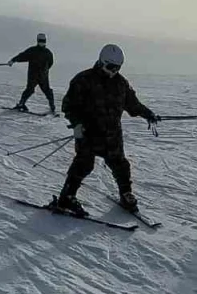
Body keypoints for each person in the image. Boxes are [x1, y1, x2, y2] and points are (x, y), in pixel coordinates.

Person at [54, 44, 159, 215]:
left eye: (118, 68)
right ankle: (67, 197)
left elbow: (133, 104)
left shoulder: (120, 83)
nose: (114, 71)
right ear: (102, 62)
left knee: (120, 165)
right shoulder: (83, 80)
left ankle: (126, 194)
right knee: (83, 164)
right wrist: (77, 124)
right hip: (88, 132)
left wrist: (148, 114)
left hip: (112, 134)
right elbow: (69, 106)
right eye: (111, 67)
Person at [9, 32, 55, 113]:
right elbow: (22, 56)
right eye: (41, 41)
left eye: (43, 41)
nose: (42, 42)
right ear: (38, 41)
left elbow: (50, 63)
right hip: (35, 75)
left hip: (41, 76)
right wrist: (13, 60)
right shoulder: (35, 51)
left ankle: (52, 107)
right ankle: (21, 104)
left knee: (46, 91)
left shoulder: (47, 53)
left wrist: (44, 71)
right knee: (30, 90)